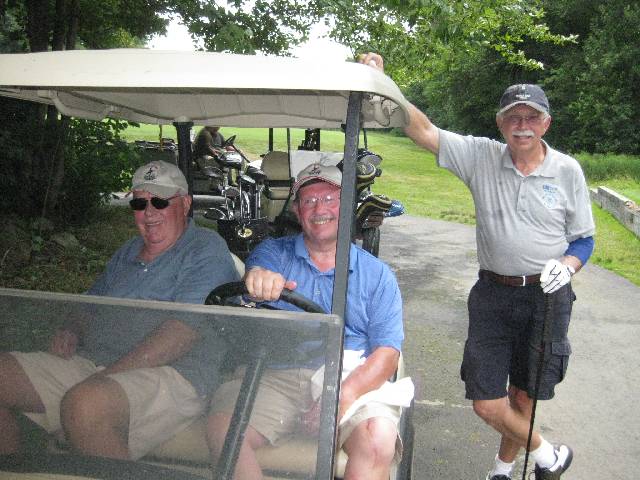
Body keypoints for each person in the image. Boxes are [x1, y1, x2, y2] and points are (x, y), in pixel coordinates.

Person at [360, 53, 595, 480]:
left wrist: (569, 264)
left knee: (523, 398)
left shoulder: (567, 171)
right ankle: (549, 456)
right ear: (501, 124)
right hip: (493, 294)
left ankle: (501, 471)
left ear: (546, 124)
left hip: (547, 297)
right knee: (487, 402)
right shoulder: (481, 156)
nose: (522, 125)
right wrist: (384, 84)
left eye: (531, 117)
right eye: (513, 117)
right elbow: (424, 130)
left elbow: (584, 239)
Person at [0, 160, 240, 460]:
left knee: (85, 403)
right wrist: (72, 329)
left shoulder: (205, 249)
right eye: (139, 203)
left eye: (160, 201)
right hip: (96, 363)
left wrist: (104, 378)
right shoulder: (128, 250)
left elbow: (181, 334)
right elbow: (90, 304)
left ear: (186, 204)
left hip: (174, 374)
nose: (149, 212)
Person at [207, 163, 411, 480]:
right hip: (276, 373)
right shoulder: (273, 254)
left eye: (330, 199)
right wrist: (258, 278)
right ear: (297, 210)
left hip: (348, 375)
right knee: (225, 432)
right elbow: (257, 272)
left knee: (377, 442)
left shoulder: (377, 275)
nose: (319, 209)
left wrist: (341, 396)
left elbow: (387, 354)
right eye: (309, 200)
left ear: (347, 206)